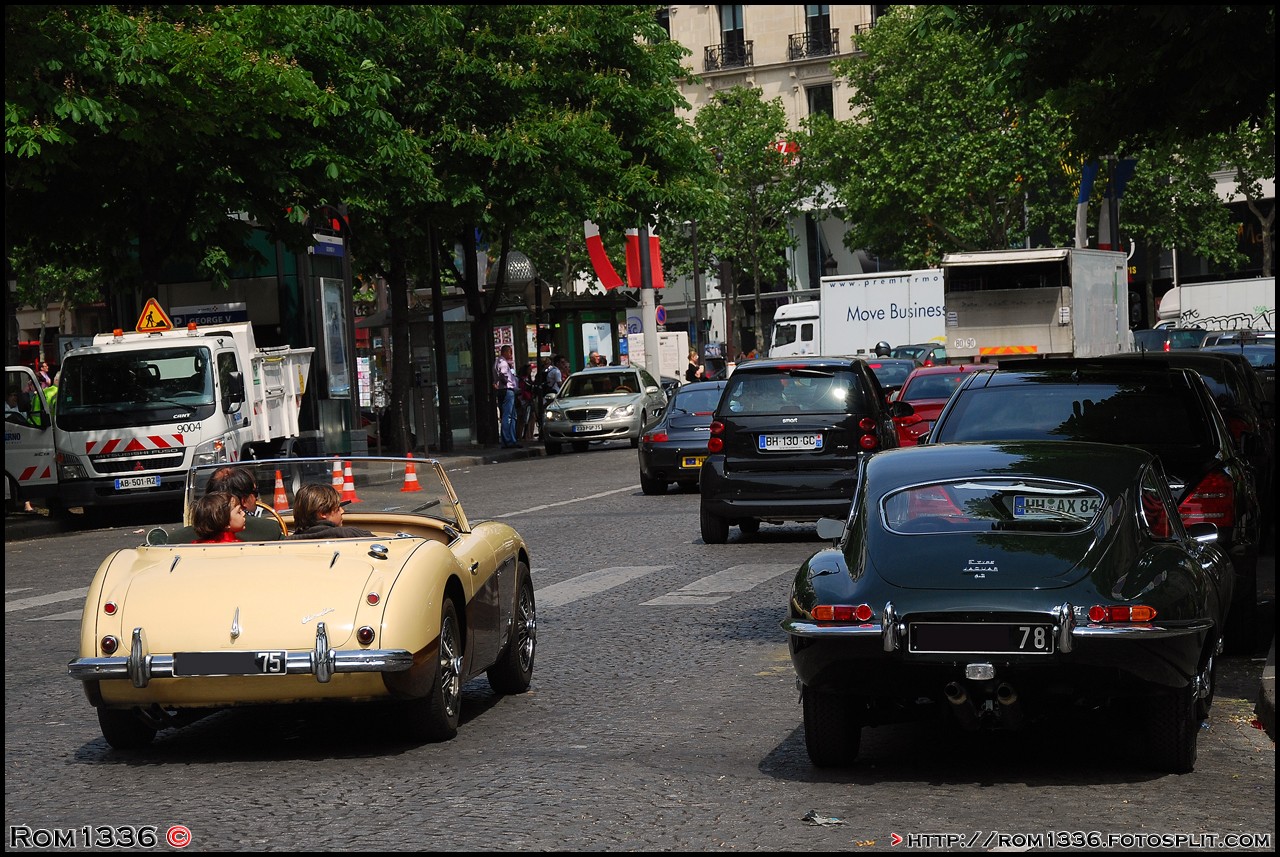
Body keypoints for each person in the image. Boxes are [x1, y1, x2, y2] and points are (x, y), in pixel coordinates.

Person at [288, 483, 376, 539]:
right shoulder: (349, 534)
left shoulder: (285, 542)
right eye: (337, 508)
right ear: (322, 513)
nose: (342, 511)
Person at [494, 344, 520, 448]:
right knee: (508, 416)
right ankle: (509, 440)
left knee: (510, 415)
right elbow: (502, 374)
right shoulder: (503, 363)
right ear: (504, 352)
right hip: (507, 390)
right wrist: (506, 383)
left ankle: (511, 439)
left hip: (503, 390)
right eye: (509, 352)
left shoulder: (497, 362)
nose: (511, 354)